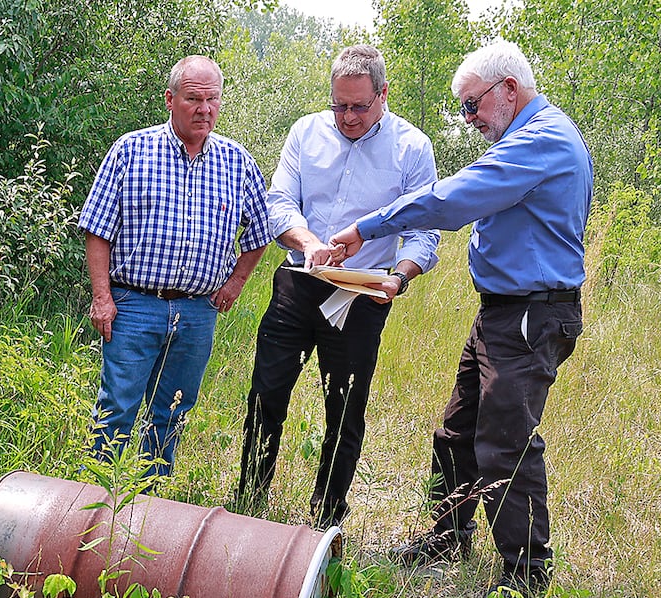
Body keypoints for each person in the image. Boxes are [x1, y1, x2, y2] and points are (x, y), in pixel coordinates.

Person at [322, 39, 592, 598]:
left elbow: (451, 201)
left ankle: (527, 574)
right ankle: (449, 535)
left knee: (504, 441)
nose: (469, 120)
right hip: (503, 314)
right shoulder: (526, 138)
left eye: (472, 105)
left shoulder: (542, 141)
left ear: (509, 90)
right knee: (457, 430)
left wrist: (367, 227)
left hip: (529, 316)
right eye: (464, 109)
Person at [236, 45, 440, 530]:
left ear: (383, 95)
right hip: (298, 281)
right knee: (267, 393)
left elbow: (425, 231)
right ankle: (248, 505)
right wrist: (308, 242)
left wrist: (400, 276)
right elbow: (279, 202)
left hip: (363, 294)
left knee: (344, 410)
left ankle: (325, 521)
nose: (347, 117)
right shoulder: (306, 133)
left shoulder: (413, 148)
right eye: (339, 105)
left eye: (358, 106)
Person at [80, 55, 272, 475]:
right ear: (170, 99)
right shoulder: (132, 150)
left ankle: (151, 511)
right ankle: (94, 509)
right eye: (193, 99)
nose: (204, 109)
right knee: (116, 410)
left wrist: (237, 282)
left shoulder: (237, 162)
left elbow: (262, 231)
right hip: (133, 305)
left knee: (173, 412)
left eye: (213, 100)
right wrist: (102, 298)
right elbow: (97, 230)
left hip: (198, 312)